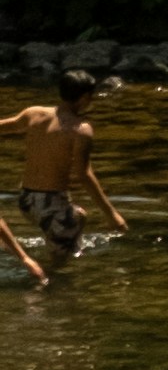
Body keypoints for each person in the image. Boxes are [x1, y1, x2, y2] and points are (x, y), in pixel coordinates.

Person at [11, 68, 123, 260]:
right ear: (85, 97)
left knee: (79, 216)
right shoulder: (80, 130)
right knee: (63, 266)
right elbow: (84, 175)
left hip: (26, 201)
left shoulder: (34, 114)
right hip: (50, 205)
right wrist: (111, 214)